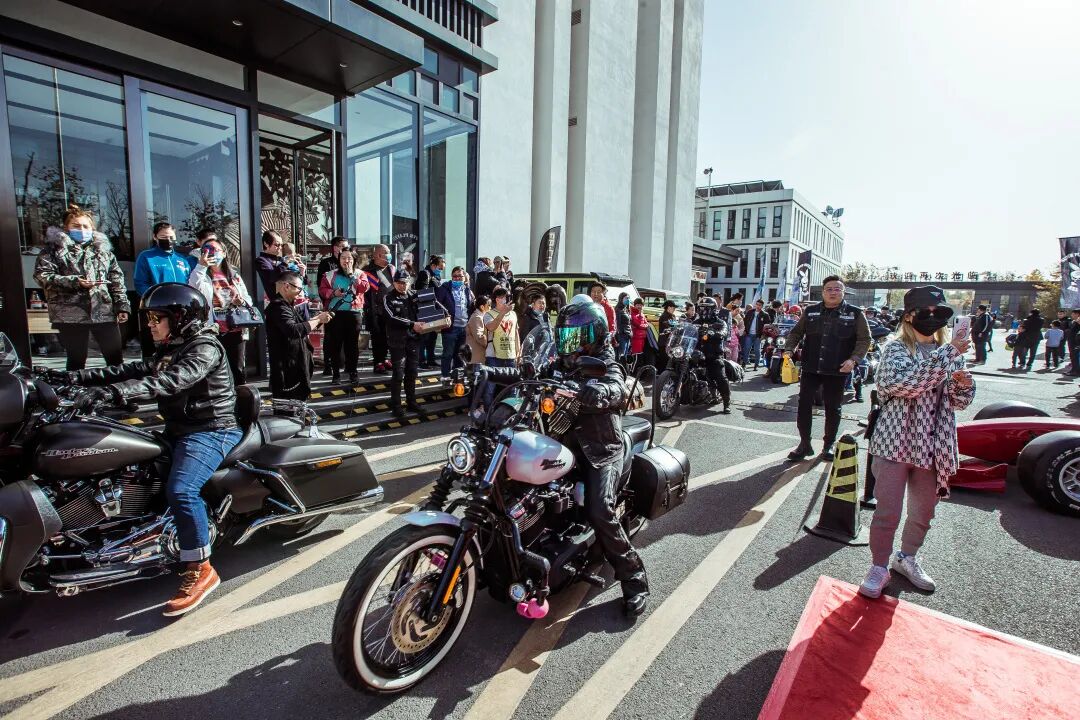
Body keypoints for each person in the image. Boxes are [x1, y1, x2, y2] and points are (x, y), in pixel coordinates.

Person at [65, 282, 241, 616]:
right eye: (148, 319)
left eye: (156, 318)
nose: (150, 325)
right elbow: (129, 370)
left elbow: (172, 380)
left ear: (181, 317)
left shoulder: (204, 348)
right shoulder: (172, 347)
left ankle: (201, 568)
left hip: (210, 431)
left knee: (182, 491)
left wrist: (116, 394)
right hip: (179, 429)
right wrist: (74, 379)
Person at [859, 285, 974, 599]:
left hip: (933, 446)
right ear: (909, 316)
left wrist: (963, 384)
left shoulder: (951, 353)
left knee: (923, 512)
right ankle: (878, 566)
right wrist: (949, 354)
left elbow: (960, 402)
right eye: (926, 311)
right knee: (888, 511)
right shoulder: (896, 349)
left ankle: (906, 558)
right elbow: (906, 385)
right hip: (894, 442)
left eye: (940, 312)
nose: (933, 317)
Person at [552, 296, 649, 616]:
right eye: (565, 336)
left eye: (575, 336)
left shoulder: (607, 361)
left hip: (601, 448)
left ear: (594, 334)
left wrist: (601, 391)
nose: (569, 343)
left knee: (600, 508)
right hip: (562, 443)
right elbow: (535, 371)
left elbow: (617, 386)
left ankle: (634, 577)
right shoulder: (561, 362)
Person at [784, 275, 871, 461]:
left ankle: (828, 445)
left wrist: (854, 360)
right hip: (811, 367)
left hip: (837, 369)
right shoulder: (810, 311)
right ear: (823, 292)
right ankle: (804, 444)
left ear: (843, 292)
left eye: (837, 289)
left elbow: (865, 339)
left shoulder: (855, 313)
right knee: (804, 405)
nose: (833, 292)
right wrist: (789, 349)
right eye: (829, 289)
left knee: (833, 407)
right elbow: (796, 333)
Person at [34, 204, 130, 370]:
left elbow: (116, 279)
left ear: (92, 228)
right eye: (76, 226)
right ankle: (74, 385)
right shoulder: (52, 250)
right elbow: (42, 276)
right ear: (66, 228)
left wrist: (122, 305)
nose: (82, 230)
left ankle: (118, 385)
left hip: (104, 310)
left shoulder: (103, 250)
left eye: (86, 226)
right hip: (70, 314)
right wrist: (75, 282)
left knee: (115, 358)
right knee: (76, 360)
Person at [187, 237, 254, 385]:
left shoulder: (234, 276)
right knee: (214, 369)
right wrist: (201, 266)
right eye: (207, 250)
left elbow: (247, 299)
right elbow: (194, 288)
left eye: (215, 250)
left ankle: (240, 396)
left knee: (237, 368)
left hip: (235, 328)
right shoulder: (201, 274)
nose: (212, 254)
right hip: (213, 330)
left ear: (224, 253)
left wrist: (241, 302)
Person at [266, 273, 332, 400]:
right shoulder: (278, 307)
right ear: (286, 286)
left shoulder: (288, 306)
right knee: (288, 407)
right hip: (287, 372)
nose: (301, 292)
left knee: (299, 405)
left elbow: (301, 326)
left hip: (297, 368)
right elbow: (294, 330)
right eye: (299, 288)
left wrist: (317, 319)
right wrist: (318, 320)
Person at [134, 223, 195, 360]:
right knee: (154, 341)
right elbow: (140, 283)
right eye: (163, 237)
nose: (168, 240)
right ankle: (151, 368)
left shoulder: (182, 259)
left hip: (179, 309)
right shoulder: (147, 256)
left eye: (171, 237)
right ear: (155, 237)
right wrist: (153, 300)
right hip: (156, 309)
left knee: (179, 342)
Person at [319, 249, 370, 384]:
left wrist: (352, 276)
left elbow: (364, 288)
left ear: (354, 260)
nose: (346, 261)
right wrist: (333, 293)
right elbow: (322, 291)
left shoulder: (360, 274)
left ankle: (353, 372)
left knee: (352, 345)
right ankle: (336, 374)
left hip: (354, 312)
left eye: (349, 258)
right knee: (335, 344)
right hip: (335, 313)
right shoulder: (330, 275)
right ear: (339, 260)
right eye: (343, 258)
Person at [383, 269, 424, 416]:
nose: (403, 285)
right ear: (394, 283)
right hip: (397, 341)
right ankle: (396, 406)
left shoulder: (414, 295)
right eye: (400, 283)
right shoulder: (388, 297)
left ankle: (411, 402)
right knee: (398, 374)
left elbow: (427, 309)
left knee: (412, 372)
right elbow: (390, 317)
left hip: (413, 340)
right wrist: (412, 324)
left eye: (405, 282)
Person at [435, 266, 475, 381]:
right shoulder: (444, 288)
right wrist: (445, 315)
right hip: (450, 328)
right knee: (447, 354)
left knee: (460, 354)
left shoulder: (467, 290)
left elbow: (470, 306)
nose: (457, 279)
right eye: (455, 276)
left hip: (464, 328)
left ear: (464, 277)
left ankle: (457, 376)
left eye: (460, 276)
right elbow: (437, 304)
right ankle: (445, 376)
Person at [317, 236, 349, 375]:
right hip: (331, 306)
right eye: (343, 247)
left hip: (348, 306)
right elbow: (321, 286)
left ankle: (346, 364)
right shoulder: (326, 263)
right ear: (335, 248)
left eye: (347, 247)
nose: (345, 250)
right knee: (330, 336)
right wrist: (331, 295)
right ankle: (328, 365)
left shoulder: (350, 262)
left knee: (347, 336)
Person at [362, 244, 396, 374]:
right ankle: (378, 363)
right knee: (378, 338)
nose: (389, 255)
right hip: (375, 310)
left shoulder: (392, 268)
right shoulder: (367, 271)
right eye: (386, 252)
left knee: (389, 337)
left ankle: (385, 359)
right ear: (378, 255)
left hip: (391, 309)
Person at [483, 287, 520, 407]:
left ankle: (509, 411)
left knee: (513, 387)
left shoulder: (513, 314)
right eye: (505, 297)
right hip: (494, 356)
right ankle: (488, 411)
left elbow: (516, 333)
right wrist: (503, 313)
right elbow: (491, 327)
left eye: (508, 297)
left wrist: (518, 352)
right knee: (490, 387)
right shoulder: (489, 314)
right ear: (497, 299)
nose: (508, 300)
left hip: (510, 355)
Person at [695, 297, 732, 414]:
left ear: (713, 309)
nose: (703, 311)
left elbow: (724, 332)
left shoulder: (720, 322)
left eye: (706, 308)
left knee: (720, 377)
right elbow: (687, 330)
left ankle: (726, 402)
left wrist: (716, 333)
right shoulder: (696, 322)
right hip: (697, 354)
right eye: (701, 308)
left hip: (713, 355)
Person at [415, 254, 446, 369]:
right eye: (440, 268)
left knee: (432, 336)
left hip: (433, 309)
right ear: (433, 265)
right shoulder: (425, 274)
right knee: (424, 336)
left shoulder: (435, 276)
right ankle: (421, 360)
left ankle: (431, 359)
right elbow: (423, 292)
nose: (440, 270)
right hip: (426, 309)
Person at [741, 299, 768, 370]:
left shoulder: (765, 314)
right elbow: (745, 321)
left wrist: (763, 335)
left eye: (759, 305)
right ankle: (744, 364)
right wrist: (745, 330)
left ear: (762, 306)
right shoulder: (750, 312)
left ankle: (756, 365)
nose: (758, 306)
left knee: (757, 351)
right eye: (757, 304)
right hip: (749, 334)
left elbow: (767, 326)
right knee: (746, 349)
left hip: (758, 336)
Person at [657, 300, 680, 371]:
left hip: (671, 342)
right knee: (664, 362)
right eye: (673, 308)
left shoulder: (672, 316)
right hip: (664, 343)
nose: (674, 309)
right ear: (669, 307)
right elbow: (670, 326)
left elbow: (677, 326)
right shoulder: (664, 316)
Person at [629, 298, 648, 368]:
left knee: (639, 356)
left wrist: (644, 325)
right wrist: (644, 326)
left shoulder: (642, 314)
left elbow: (646, 324)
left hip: (642, 338)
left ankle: (636, 370)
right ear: (634, 305)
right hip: (635, 338)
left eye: (641, 305)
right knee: (636, 356)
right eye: (638, 305)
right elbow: (638, 324)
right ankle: (632, 371)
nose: (639, 306)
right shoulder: (632, 314)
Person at [614, 292, 632, 361]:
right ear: (621, 299)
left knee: (625, 356)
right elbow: (617, 324)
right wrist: (617, 338)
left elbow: (628, 323)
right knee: (620, 356)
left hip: (627, 335)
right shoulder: (618, 310)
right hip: (621, 336)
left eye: (629, 298)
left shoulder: (626, 309)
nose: (628, 300)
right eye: (626, 298)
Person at [1069, 309, 1080, 377]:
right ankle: (1073, 370)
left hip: (1076, 342)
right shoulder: (1074, 321)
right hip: (1071, 340)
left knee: (1075, 357)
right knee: (1072, 356)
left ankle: (1076, 371)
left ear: (1077, 314)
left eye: (1073, 314)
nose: (1071, 315)